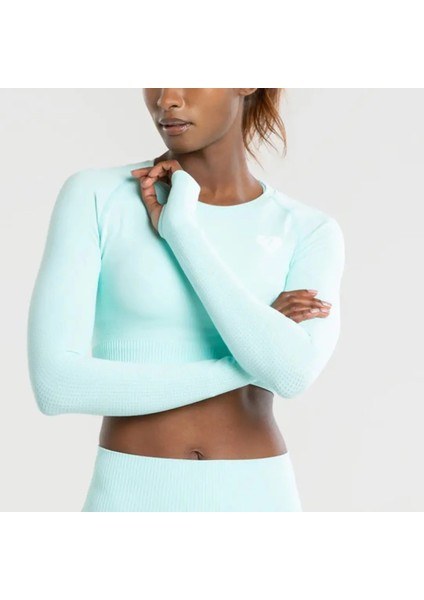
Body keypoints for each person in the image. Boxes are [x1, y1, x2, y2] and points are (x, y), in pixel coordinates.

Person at [26, 88, 345, 511]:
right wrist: (247, 358)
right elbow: (56, 386)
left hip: (259, 497)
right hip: (130, 495)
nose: (167, 98)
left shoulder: (308, 229)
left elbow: (292, 375)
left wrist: (182, 232)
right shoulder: (98, 195)